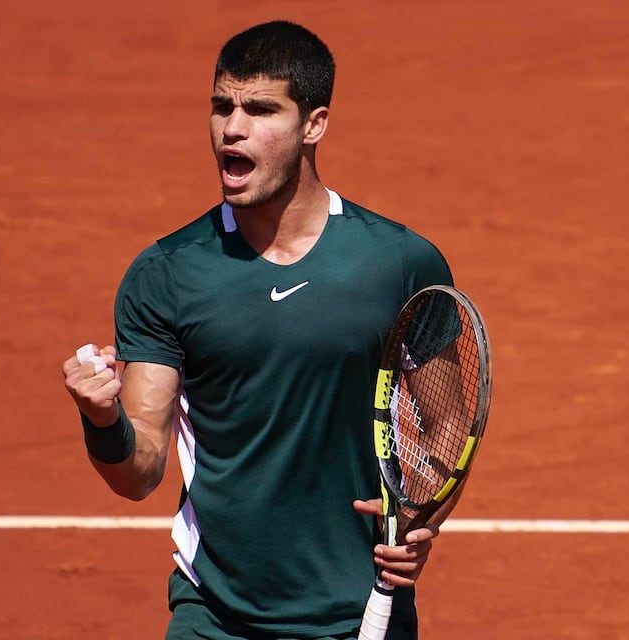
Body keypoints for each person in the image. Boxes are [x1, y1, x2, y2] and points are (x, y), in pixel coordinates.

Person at [63, 20, 457, 640]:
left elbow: (450, 425)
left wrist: (418, 517)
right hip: (215, 616)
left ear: (313, 125)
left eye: (260, 109)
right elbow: (138, 472)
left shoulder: (400, 264)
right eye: (222, 106)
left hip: (359, 611)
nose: (232, 128)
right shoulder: (167, 275)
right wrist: (102, 419)